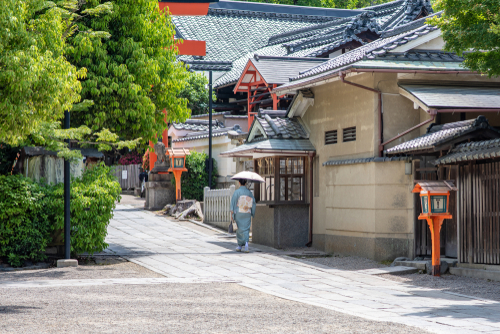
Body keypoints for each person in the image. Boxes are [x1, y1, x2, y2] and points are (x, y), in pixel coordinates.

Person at [230, 179, 256, 253]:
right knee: (246, 229)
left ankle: (240, 245)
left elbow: (233, 204)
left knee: (239, 229)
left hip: (239, 212)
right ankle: (247, 244)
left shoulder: (236, 192)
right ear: (246, 183)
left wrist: (232, 214)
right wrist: (252, 213)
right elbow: (253, 203)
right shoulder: (249, 192)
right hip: (247, 212)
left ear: (239, 183)